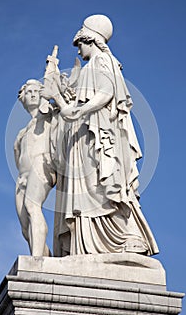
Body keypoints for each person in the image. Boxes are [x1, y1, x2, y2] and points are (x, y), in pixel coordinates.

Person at [52, 14, 159, 256]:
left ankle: (125, 237)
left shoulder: (100, 61)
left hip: (99, 134)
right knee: (94, 186)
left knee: (102, 184)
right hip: (89, 132)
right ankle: (89, 241)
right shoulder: (98, 64)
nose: (78, 50)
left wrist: (81, 110)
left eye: (80, 44)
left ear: (89, 40)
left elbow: (105, 92)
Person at [14, 79, 56, 256]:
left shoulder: (47, 114)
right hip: (23, 176)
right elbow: (18, 157)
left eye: (36, 91)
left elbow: (53, 103)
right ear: (23, 99)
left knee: (33, 207)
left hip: (42, 165)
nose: (32, 94)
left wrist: (50, 85)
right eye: (28, 92)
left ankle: (36, 260)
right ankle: (47, 259)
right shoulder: (22, 132)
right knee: (25, 228)